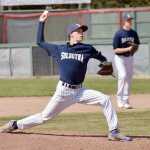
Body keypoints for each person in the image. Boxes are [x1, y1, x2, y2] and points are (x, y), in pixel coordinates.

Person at [0, 11, 131, 141]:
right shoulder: (59, 49)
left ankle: (113, 131)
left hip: (80, 91)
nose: (81, 33)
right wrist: (41, 22)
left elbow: (101, 57)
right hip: (63, 91)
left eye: (82, 31)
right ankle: (15, 124)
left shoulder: (87, 49)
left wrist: (105, 63)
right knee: (44, 117)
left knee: (105, 99)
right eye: (79, 31)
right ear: (71, 34)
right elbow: (40, 42)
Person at [113, 13, 140, 109]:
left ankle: (126, 101)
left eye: (130, 20)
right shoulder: (119, 33)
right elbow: (115, 50)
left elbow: (136, 46)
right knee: (123, 76)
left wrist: (133, 50)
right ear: (123, 21)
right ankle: (119, 100)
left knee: (129, 78)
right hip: (120, 58)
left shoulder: (133, 33)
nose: (129, 22)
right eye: (128, 20)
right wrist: (128, 49)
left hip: (130, 58)